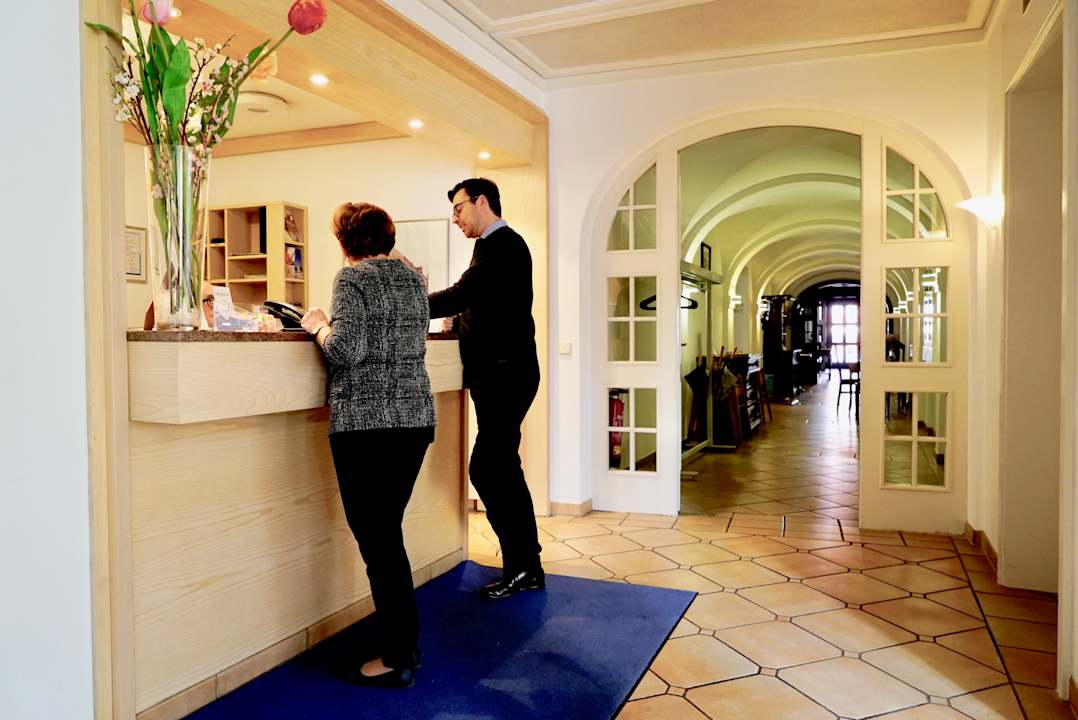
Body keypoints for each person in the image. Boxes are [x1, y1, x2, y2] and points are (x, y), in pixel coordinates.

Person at [300, 202, 435, 689]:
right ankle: (405, 646)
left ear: (344, 241)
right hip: (414, 421)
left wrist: (317, 325)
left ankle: (399, 656)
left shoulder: (351, 279)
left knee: (379, 543)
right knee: (386, 537)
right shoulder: (413, 282)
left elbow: (346, 350)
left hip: (366, 426)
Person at [428, 178, 544, 600]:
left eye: (458, 209)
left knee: (489, 468)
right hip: (499, 374)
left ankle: (523, 565)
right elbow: (485, 302)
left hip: (506, 375)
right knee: (501, 467)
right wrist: (459, 322)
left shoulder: (504, 245)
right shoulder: (490, 247)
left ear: (481, 202)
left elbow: (464, 293)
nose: (455, 218)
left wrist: (407, 303)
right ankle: (526, 565)